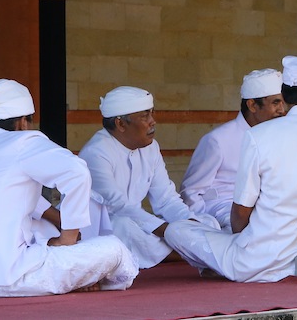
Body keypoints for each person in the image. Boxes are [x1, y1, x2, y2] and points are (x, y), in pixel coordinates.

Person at [0, 78, 137, 297]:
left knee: (41, 227)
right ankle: (88, 279)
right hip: (6, 278)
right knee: (114, 250)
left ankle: (79, 276)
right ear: (21, 123)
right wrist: (67, 239)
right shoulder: (22, 142)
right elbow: (77, 172)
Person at [165, 56, 297, 282]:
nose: (278, 109)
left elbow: (241, 213)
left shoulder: (258, 136)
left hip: (256, 261)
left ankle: (220, 264)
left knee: (175, 231)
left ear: (286, 96)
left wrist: (245, 237)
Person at [79, 86, 218, 269]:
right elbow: (119, 207)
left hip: (142, 225)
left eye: (152, 114)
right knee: (122, 227)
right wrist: (170, 232)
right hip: (103, 227)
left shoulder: (151, 148)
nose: (152, 122)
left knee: (209, 222)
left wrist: (188, 223)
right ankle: (188, 252)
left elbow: (166, 199)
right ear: (121, 124)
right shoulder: (96, 153)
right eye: (144, 116)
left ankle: (181, 250)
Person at [181, 68, 286, 230]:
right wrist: (204, 225)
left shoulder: (277, 135)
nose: (282, 110)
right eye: (275, 103)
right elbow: (191, 192)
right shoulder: (218, 140)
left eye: (282, 102)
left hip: (263, 207)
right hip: (223, 210)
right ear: (252, 105)